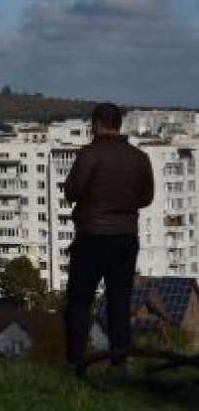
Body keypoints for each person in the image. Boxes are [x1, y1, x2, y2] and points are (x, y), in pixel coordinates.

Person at [63, 103, 153, 374]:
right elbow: (146, 198)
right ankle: (120, 362)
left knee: (80, 301)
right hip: (126, 237)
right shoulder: (139, 157)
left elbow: (72, 192)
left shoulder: (89, 154)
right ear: (119, 125)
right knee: (120, 301)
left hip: (92, 236)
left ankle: (76, 361)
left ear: (97, 124)